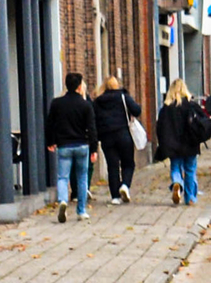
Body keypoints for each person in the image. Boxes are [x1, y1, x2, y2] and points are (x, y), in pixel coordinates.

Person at [44, 72, 97, 223]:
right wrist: (93, 149)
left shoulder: (56, 103)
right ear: (80, 87)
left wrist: (50, 142)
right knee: (82, 178)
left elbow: (50, 124)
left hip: (64, 146)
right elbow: (92, 128)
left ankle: (62, 200)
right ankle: (81, 210)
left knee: (62, 177)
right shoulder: (85, 105)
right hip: (82, 146)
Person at [158, 79, 211, 205]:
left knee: (175, 166)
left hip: (173, 145)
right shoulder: (192, 106)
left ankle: (177, 182)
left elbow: (160, 127)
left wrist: (163, 143)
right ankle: (190, 198)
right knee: (190, 170)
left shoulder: (166, 108)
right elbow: (204, 122)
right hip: (191, 143)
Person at [93, 74, 141, 204]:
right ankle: (125, 185)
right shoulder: (123, 97)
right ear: (117, 85)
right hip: (123, 134)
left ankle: (115, 197)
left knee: (112, 166)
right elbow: (137, 110)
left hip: (106, 137)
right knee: (128, 163)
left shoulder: (98, 101)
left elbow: (94, 119)